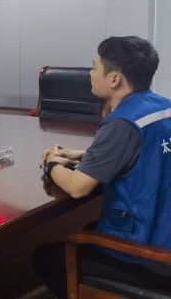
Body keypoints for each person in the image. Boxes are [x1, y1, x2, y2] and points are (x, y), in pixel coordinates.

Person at [32, 36, 171, 298]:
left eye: (95, 67)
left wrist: (52, 162)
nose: (91, 73)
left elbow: (77, 188)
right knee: (89, 227)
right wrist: (85, 155)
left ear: (114, 78)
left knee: (45, 257)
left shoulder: (122, 122)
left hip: (151, 257)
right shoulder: (163, 107)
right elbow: (146, 149)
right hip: (164, 234)